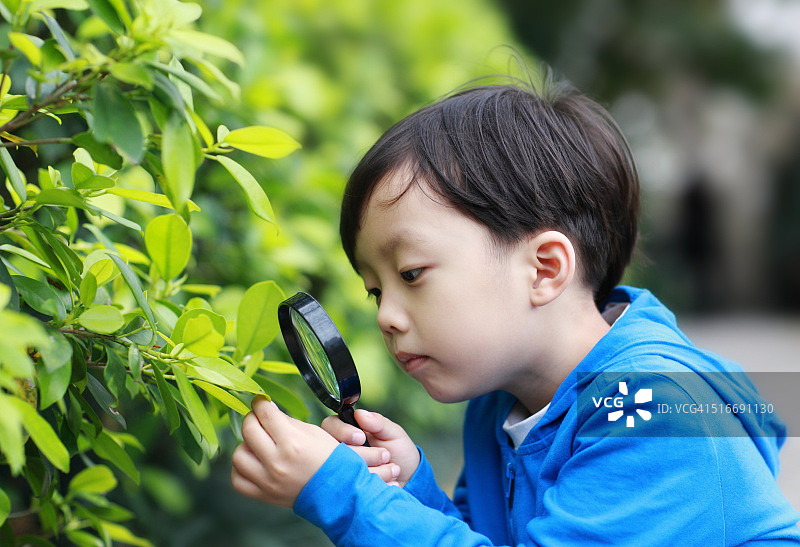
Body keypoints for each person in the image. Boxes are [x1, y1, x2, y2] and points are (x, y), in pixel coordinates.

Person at [231, 77, 800, 544]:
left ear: (544, 269)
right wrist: (408, 491)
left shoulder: (655, 405)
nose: (386, 317)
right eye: (376, 291)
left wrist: (344, 496)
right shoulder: (500, 403)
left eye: (411, 275)